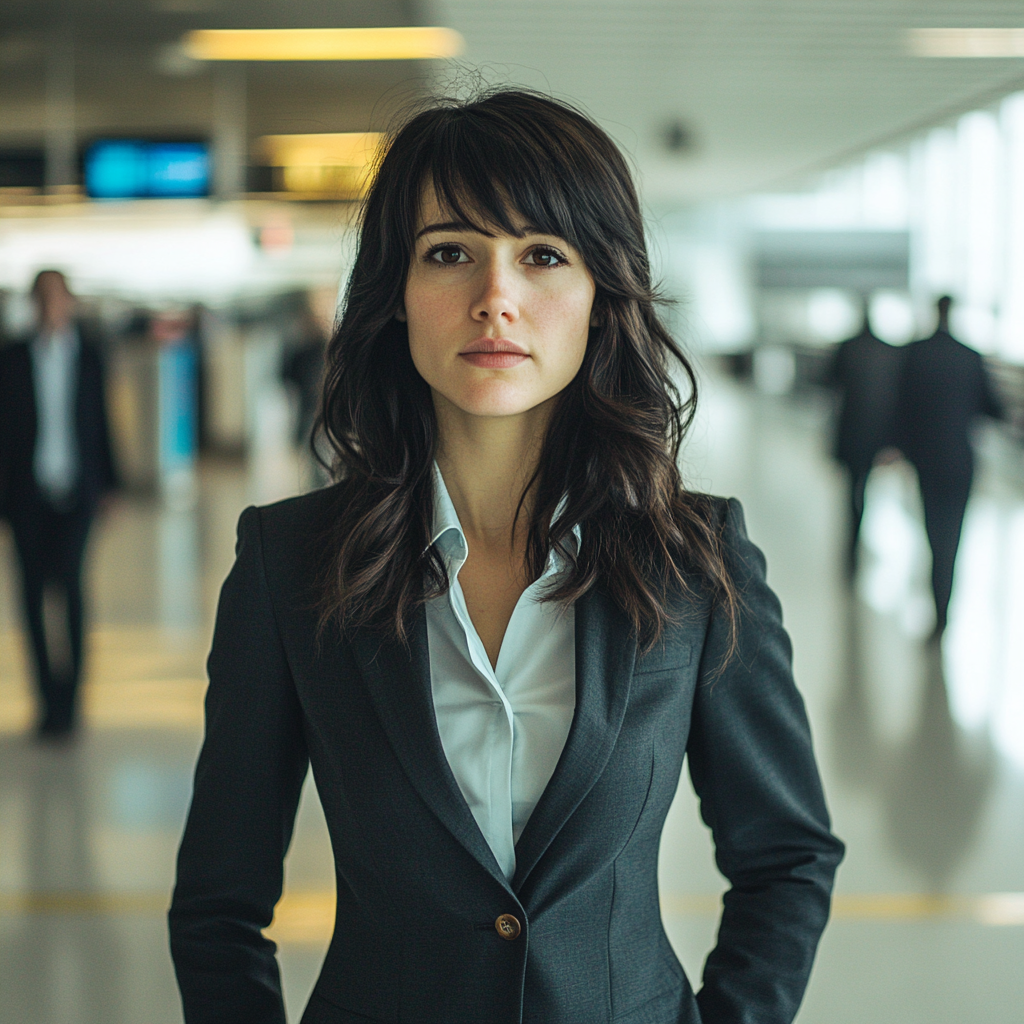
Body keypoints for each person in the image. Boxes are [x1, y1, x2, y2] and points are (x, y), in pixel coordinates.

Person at [169, 90, 843, 1024]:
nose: (495, 298)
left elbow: (787, 858)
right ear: (394, 296)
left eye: (542, 255)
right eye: (450, 253)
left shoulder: (693, 559)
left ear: (601, 295)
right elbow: (218, 904)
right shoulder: (291, 564)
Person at [0, 269, 117, 737]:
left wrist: (110, 483)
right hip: (26, 493)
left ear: (69, 302)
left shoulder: (88, 356)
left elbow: (101, 421)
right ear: (33, 304)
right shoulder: (11, 358)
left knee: (69, 588)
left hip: (77, 491)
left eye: (57, 297)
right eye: (42, 298)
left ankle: (71, 702)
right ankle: (46, 700)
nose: (51, 306)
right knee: (30, 596)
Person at [897, 295, 1002, 635]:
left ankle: (938, 602)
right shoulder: (970, 356)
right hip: (960, 462)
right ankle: (944, 609)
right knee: (953, 536)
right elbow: (991, 407)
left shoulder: (915, 354)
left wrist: (899, 448)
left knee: (932, 531)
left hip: (925, 459)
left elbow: (902, 405)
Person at [825, 298, 901, 575]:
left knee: (852, 488)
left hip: (850, 431)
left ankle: (852, 542)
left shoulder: (847, 348)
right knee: (865, 485)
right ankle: (860, 534)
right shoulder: (887, 350)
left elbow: (829, 383)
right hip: (876, 433)